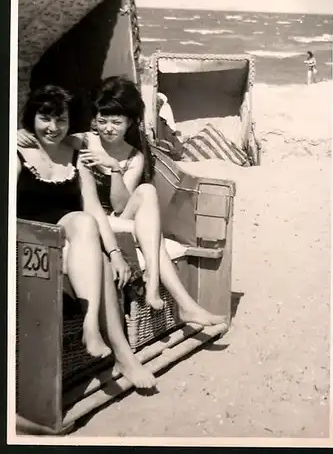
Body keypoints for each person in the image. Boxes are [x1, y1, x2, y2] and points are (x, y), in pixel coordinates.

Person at [18, 77, 227, 328]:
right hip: (87, 215)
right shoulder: (80, 141)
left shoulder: (133, 156)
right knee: (151, 233)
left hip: (116, 217)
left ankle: (161, 289)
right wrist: (20, 133)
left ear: (129, 123)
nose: (108, 128)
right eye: (102, 120)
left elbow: (120, 206)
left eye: (116, 122)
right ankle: (181, 302)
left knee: (147, 191)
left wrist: (114, 169)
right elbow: (47, 145)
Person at [17, 84, 156, 389]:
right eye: (45, 117)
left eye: (61, 120)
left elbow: (93, 208)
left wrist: (117, 254)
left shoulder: (76, 154)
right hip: (29, 240)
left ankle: (91, 324)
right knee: (99, 264)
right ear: (32, 116)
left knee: (84, 223)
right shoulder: (17, 151)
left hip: (70, 237)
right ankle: (124, 355)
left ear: (70, 122)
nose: (53, 128)